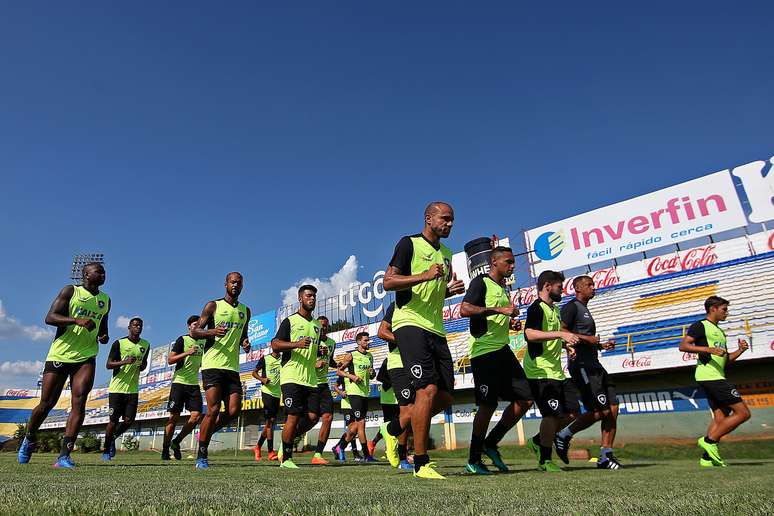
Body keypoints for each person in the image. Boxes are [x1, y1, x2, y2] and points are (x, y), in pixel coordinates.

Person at [382, 201, 465, 479]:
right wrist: (424, 275)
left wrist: (448, 291)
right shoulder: (409, 244)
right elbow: (388, 282)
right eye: (445, 219)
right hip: (409, 323)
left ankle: (393, 429)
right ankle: (420, 462)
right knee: (426, 390)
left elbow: (434, 292)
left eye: (452, 220)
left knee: (444, 396)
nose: (450, 224)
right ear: (429, 219)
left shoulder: (447, 253)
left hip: (436, 328)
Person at [18, 263, 110, 468]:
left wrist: (103, 336)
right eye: (99, 271)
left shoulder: (105, 300)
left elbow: (103, 327)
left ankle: (64, 456)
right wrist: (76, 320)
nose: (103, 274)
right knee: (47, 403)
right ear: (86, 274)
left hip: (86, 356)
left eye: (104, 272)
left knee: (80, 401)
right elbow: (50, 317)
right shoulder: (71, 291)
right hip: (61, 354)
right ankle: (30, 437)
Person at [460, 246, 532, 475]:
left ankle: (491, 443)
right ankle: (473, 458)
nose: (512, 266)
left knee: (526, 399)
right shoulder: (481, 282)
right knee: (488, 404)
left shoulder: (503, 288)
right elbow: (465, 309)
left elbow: (498, 315)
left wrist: (509, 321)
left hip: (503, 350)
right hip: (484, 353)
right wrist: (499, 310)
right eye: (508, 262)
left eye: (513, 262)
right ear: (495, 262)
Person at [553, 275, 621, 469]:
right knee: (601, 411)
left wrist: (600, 345)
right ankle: (563, 434)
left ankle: (605, 455)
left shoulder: (585, 310)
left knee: (613, 408)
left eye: (593, 284)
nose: (594, 287)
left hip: (595, 364)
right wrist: (586, 340)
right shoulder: (572, 307)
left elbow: (583, 339)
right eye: (589, 285)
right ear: (578, 288)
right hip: (582, 366)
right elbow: (563, 333)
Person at [679, 296, 751, 467]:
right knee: (743, 413)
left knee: (720, 417)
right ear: (713, 308)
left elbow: (725, 359)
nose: (727, 312)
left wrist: (740, 350)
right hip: (709, 376)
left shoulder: (719, 331)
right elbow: (683, 346)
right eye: (724, 309)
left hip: (716, 376)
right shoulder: (700, 326)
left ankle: (707, 458)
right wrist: (708, 349)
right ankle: (709, 441)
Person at [190, 272, 251, 469]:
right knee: (214, 409)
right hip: (212, 365)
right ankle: (202, 454)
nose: (235, 285)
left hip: (232, 367)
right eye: (232, 282)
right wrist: (212, 331)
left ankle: (205, 434)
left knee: (234, 411)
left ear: (242, 286)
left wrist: (245, 342)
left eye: (239, 283)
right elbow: (195, 331)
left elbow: (243, 333)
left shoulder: (245, 310)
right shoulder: (213, 306)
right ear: (225, 284)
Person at [523, 270, 580, 472]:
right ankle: (545, 460)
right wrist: (561, 335)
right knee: (552, 415)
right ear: (547, 286)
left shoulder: (554, 309)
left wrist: (567, 346)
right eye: (559, 286)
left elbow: (552, 336)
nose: (562, 290)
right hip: (540, 371)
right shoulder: (536, 308)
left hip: (557, 371)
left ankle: (538, 441)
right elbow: (529, 334)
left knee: (573, 412)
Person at [271, 285, 322, 469]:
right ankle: (286, 458)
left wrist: (316, 359)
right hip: (291, 375)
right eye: (308, 296)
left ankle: (286, 442)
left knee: (313, 417)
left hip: (310, 378)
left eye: (314, 296)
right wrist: (296, 344)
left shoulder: (317, 326)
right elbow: (275, 344)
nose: (312, 299)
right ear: (300, 298)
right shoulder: (290, 321)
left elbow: (312, 352)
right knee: (293, 415)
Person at [102, 318, 150, 461]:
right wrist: (124, 362)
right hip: (117, 389)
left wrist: (141, 365)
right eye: (135, 325)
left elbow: (144, 364)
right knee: (113, 421)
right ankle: (106, 448)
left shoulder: (145, 345)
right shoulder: (119, 343)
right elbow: (109, 364)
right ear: (129, 327)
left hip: (133, 389)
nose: (138, 327)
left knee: (129, 420)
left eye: (140, 325)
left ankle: (111, 439)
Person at [162, 315, 205, 461]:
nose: (197, 326)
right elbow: (170, 360)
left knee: (196, 416)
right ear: (189, 326)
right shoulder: (183, 339)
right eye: (194, 324)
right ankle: (165, 449)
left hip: (193, 384)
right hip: (179, 383)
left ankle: (176, 441)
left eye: (199, 324)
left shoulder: (204, 341)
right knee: (174, 417)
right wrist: (187, 352)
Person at [377, 302, 413, 470]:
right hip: (399, 365)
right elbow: (382, 332)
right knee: (409, 411)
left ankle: (414, 456)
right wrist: (405, 341)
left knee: (419, 409)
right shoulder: (397, 305)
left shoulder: (424, 305)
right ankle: (402, 453)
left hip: (420, 362)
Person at [332, 332, 376, 462]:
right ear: (359, 342)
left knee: (355, 427)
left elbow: (371, 375)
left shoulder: (370, 356)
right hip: (353, 392)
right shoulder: (351, 355)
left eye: (368, 340)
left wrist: (372, 373)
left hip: (364, 392)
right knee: (361, 423)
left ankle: (340, 446)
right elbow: (339, 371)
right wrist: (351, 376)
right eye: (365, 340)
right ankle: (366, 455)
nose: (368, 343)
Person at [308, 315, 338, 465]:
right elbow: (303, 360)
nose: (323, 328)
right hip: (310, 383)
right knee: (311, 418)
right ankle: (286, 443)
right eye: (320, 326)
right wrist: (314, 364)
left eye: (325, 326)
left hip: (324, 384)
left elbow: (329, 359)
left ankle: (318, 454)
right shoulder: (311, 341)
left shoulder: (332, 343)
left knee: (328, 417)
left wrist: (338, 364)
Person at [252, 348, 282, 461]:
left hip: (277, 393)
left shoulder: (283, 359)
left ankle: (258, 446)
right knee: (271, 421)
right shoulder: (265, 358)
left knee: (270, 422)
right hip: (267, 392)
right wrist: (262, 379)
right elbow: (254, 373)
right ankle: (270, 452)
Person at [368, 357, 399, 459]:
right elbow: (379, 377)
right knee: (389, 424)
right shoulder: (389, 360)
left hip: (399, 397)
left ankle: (374, 443)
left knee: (397, 424)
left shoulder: (406, 358)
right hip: (388, 398)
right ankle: (389, 449)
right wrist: (394, 383)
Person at [334, 375, 363, 462]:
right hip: (347, 405)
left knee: (354, 429)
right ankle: (355, 454)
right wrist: (341, 392)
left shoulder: (357, 373)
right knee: (351, 430)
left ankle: (338, 447)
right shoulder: (344, 374)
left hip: (356, 404)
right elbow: (335, 386)